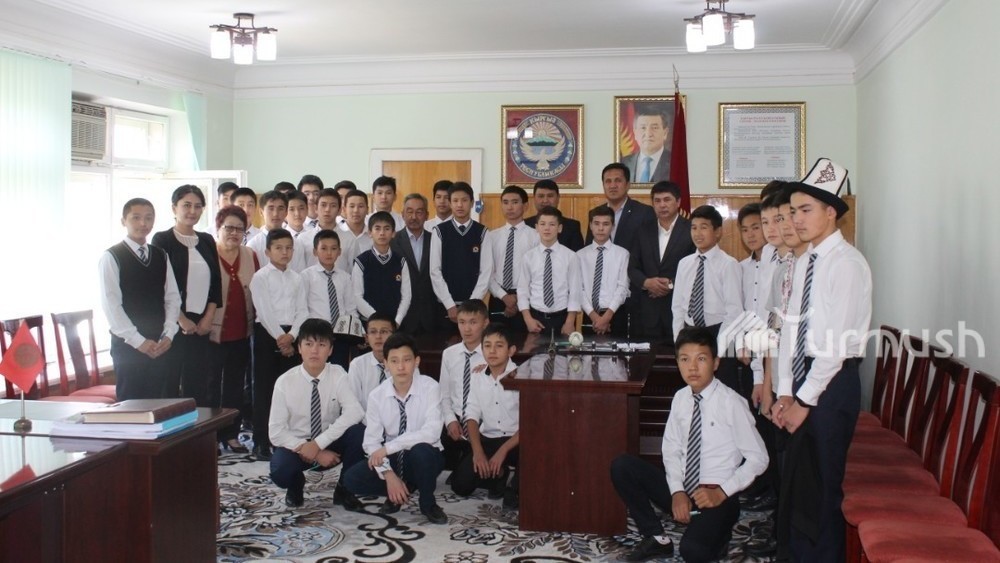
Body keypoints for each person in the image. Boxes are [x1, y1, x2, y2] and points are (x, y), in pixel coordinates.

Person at [771, 159, 871, 562]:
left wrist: (804, 400)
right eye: (793, 210)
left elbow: (834, 346)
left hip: (831, 386)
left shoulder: (846, 264)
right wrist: (784, 391)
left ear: (831, 212)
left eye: (805, 209)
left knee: (824, 488)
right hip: (803, 383)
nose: (796, 219)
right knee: (798, 488)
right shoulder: (805, 261)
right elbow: (789, 331)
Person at [611, 327, 768, 562]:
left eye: (701, 359)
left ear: (715, 363)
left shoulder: (731, 403)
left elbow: (759, 458)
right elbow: (671, 449)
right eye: (685, 359)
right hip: (685, 489)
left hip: (718, 495)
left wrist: (722, 492)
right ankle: (656, 537)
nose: (692, 367)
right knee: (623, 466)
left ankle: (718, 533)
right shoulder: (680, 398)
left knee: (692, 550)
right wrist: (677, 491)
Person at [341, 333, 448, 524]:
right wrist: (388, 474)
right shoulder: (377, 395)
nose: (401, 367)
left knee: (422, 452)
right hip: (393, 458)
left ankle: (427, 503)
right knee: (351, 479)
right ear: (386, 364)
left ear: (416, 361)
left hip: (425, 455)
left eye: (407, 360)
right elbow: (371, 442)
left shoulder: (430, 387)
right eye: (394, 361)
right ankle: (401, 488)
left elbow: (431, 432)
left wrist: (388, 448)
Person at [268, 318, 366, 510]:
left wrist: (319, 444)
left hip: (329, 440)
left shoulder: (338, 374)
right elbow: (276, 432)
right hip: (298, 445)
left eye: (321, 345)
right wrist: (310, 450)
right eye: (309, 344)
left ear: (330, 350)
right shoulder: (284, 382)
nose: (314, 351)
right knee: (280, 470)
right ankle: (296, 484)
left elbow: (355, 412)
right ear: (299, 348)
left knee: (359, 433)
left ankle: (344, 488)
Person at [99, 198, 180, 400]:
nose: (143, 223)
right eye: (136, 218)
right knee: (131, 406)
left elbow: (172, 297)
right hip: (129, 347)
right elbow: (111, 305)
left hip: (160, 344)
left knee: (159, 405)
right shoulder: (112, 256)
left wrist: (169, 333)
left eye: (148, 218)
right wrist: (139, 341)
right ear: (123, 221)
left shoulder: (161, 255)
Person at [151, 185, 222, 404]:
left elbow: (216, 282)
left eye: (198, 206)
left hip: (201, 324)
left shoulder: (207, 240)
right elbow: (160, 285)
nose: (192, 211)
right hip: (173, 324)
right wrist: (180, 319)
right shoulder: (162, 240)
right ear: (174, 208)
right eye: (187, 205)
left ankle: (198, 426)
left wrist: (209, 317)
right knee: (170, 382)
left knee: (199, 383)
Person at [249, 228, 309, 461]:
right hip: (267, 334)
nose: (284, 252)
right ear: (268, 251)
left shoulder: (297, 278)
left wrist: (292, 336)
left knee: (289, 391)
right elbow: (264, 312)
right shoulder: (260, 277)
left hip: (292, 335)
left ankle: (285, 442)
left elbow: (302, 310)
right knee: (264, 390)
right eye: (278, 248)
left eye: (288, 248)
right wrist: (280, 338)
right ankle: (261, 442)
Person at [671, 205, 744, 391]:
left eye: (704, 227)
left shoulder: (729, 265)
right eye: (694, 228)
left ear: (717, 232)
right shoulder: (684, 263)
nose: (697, 233)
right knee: (693, 389)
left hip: (720, 333)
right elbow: (677, 307)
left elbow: (734, 311)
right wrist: (679, 339)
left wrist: (718, 346)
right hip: (690, 332)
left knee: (724, 391)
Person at [451, 322, 520, 510]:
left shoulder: (521, 376)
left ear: (511, 350)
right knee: (460, 486)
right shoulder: (478, 375)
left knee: (519, 496)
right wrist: (478, 452)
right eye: (487, 345)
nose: (492, 351)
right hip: (489, 438)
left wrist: (503, 450)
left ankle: (512, 484)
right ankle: (499, 474)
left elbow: (531, 423)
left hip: (516, 441)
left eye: (499, 346)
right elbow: (471, 415)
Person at [211, 205, 259, 453]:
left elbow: (257, 291)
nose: (234, 233)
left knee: (235, 386)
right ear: (218, 228)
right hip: (211, 334)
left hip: (241, 332)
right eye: (228, 227)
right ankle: (210, 436)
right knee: (211, 387)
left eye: (239, 229)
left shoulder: (250, 255)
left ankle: (231, 434)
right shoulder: (208, 253)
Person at [628, 181, 695, 342]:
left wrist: (670, 284)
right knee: (646, 357)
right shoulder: (642, 230)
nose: (662, 205)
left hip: (679, 312)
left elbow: (695, 269)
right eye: (657, 201)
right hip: (646, 313)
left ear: (678, 202)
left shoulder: (691, 230)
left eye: (667, 199)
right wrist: (647, 282)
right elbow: (632, 267)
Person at [430, 181, 491, 328]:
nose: (459, 205)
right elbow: (434, 271)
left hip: (473, 308)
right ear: (450, 203)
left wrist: (471, 304)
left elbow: (486, 271)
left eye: (464, 200)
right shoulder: (439, 231)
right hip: (445, 306)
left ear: (472, 203)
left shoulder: (482, 231)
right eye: (455, 200)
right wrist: (449, 304)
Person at [438, 299, 488, 471]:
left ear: (485, 323)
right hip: (456, 418)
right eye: (462, 322)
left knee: (465, 480)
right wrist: (450, 421)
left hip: (483, 423)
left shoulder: (492, 354)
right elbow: (444, 394)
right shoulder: (449, 354)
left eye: (473, 322)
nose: (467, 329)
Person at [518, 206, 580, 336]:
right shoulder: (528, 257)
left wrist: (570, 321)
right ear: (536, 227)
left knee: (563, 350)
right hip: (535, 317)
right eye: (542, 224)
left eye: (552, 224)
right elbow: (523, 290)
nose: (547, 228)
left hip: (563, 318)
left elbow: (575, 291)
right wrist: (528, 319)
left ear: (559, 228)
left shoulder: (570, 256)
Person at [485, 185, 539, 332]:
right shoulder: (491, 236)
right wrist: (504, 297)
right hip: (498, 298)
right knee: (496, 340)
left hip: (527, 298)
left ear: (525, 206)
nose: (510, 207)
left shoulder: (535, 236)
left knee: (525, 342)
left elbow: (537, 273)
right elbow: (487, 272)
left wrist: (518, 297)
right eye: (505, 202)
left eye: (515, 202)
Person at [301, 229, 356, 369]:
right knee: (315, 369)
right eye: (324, 248)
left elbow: (350, 308)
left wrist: (356, 332)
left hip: (340, 335)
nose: (329, 253)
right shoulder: (306, 276)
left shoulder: (345, 277)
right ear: (315, 251)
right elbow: (302, 307)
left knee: (340, 370)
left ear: (340, 251)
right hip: (316, 334)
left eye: (333, 248)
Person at [391, 193, 441, 334]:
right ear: (402, 214)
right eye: (409, 211)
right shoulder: (392, 242)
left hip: (432, 315)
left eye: (419, 212)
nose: (414, 217)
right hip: (402, 316)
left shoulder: (436, 241)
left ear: (427, 215)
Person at [578, 205, 630, 337]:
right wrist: (594, 317)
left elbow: (623, 287)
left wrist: (606, 317)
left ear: (613, 226)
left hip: (615, 314)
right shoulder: (580, 255)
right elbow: (579, 289)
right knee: (588, 350)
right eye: (596, 223)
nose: (601, 228)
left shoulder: (622, 254)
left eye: (606, 224)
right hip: (589, 316)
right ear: (590, 226)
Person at [352, 212, 411, 326]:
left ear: (393, 233)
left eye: (387, 229)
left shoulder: (401, 261)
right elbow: (357, 296)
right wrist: (377, 319)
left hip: (395, 323)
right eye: (377, 228)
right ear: (370, 233)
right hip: (369, 322)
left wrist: (397, 320)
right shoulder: (361, 261)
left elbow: (406, 296)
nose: (382, 233)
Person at [588, 163, 655, 253]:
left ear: (628, 185)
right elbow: (589, 248)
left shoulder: (644, 213)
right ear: (603, 185)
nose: (612, 186)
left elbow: (649, 249)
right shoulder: (595, 213)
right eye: (608, 181)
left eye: (618, 180)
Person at [347, 312, 396, 413]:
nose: (378, 336)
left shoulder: (406, 363)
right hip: (366, 421)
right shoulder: (357, 365)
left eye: (384, 331)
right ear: (367, 337)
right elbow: (353, 405)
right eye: (373, 332)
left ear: (394, 335)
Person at [524, 180, 584, 251]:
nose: (545, 200)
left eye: (550, 196)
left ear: (558, 198)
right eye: (541, 196)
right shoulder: (525, 225)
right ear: (534, 198)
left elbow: (577, 254)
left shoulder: (572, 226)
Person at [620, 105, 672, 184]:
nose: (648, 134)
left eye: (654, 128)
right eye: (643, 128)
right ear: (635, 133)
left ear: (665, 133)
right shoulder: (623, 163)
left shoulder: (675, 162)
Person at [298, 188, 343, 271]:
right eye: (323, 205)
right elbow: (299, 268)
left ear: (339, 210)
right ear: (315, 208)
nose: (327, 210)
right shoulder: (303, 238)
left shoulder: (349, 239)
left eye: (333, 206)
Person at [246, 190, 289, 268]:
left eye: (280, 208)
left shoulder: (296, 244)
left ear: (286, 212)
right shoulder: (253, 245)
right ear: (261, 212)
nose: (275, 214)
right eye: (271, 208)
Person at [337, 189, 373, 271]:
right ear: (344, 209)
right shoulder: (336, 234)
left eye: (360, 206)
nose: (356, 210)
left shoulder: (373, 236)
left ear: (367, 209)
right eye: (352, 206)